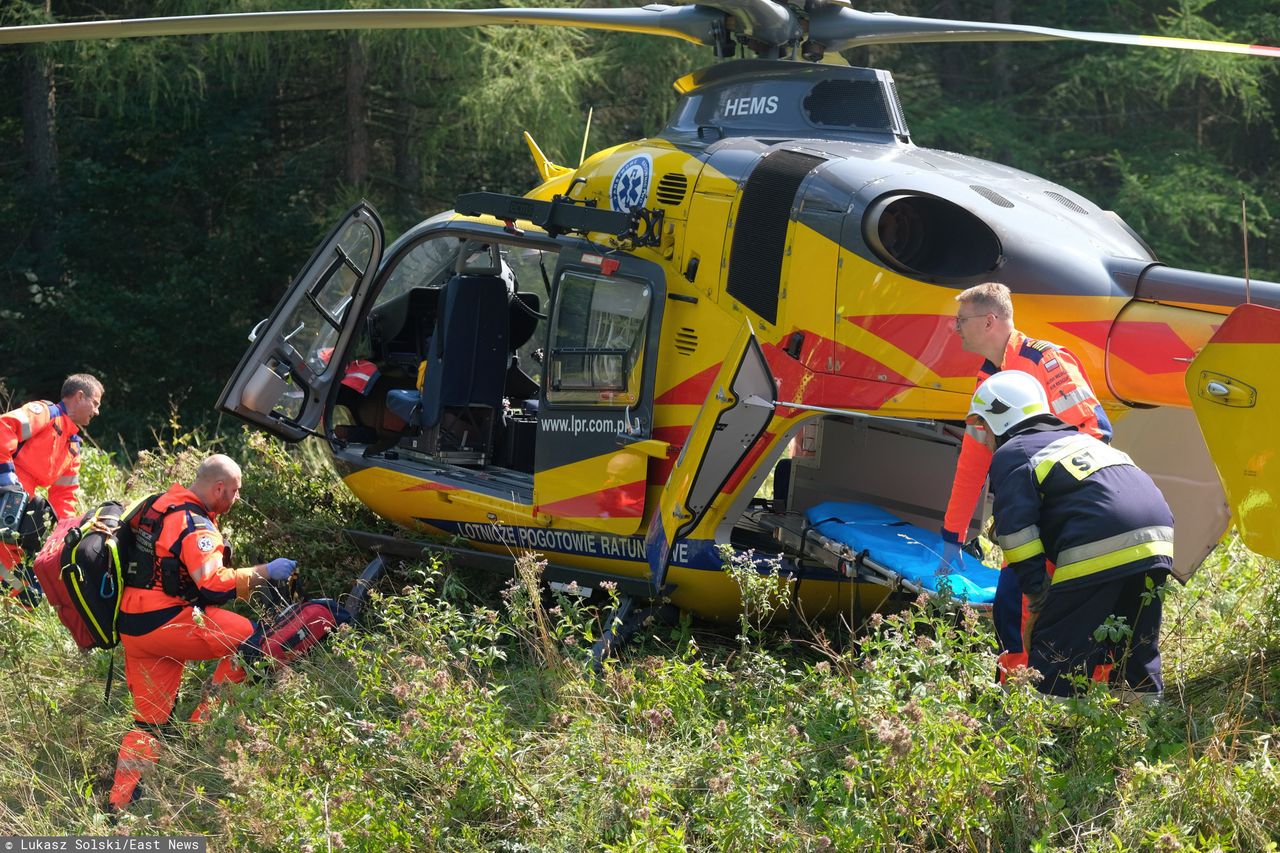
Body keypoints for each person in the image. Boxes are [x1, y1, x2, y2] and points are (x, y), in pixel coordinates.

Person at [968, 370, 1173, 701]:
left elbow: (1016, 532)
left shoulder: (1015, 451)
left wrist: (1038, 594)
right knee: (1135, 646)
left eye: (983, 430)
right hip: (1158, 538)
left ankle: (1051, 740)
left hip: (1101, 538)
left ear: (998, 420)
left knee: (1059, 647)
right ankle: (1145, 732)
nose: (985, 441)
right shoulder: (1083, 441)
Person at [109, 454, 296, 811]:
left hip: (133, 627)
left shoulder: (160, 505)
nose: (236, 499)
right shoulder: (194, 523)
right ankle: (202, 729)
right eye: (235, 492)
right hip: (165, 622)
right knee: (248, 637)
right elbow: (210, 586)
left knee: (148, 723)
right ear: (219, 488)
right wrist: (264, 570)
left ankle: (120, 808)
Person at [944, 283, 1112, 672]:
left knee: (1033, 609)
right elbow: (972, 461)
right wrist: (952, 535)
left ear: (989, 321)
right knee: (1012, 608)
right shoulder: (989, 380)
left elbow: (1097, 431)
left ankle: (1029, 702)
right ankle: (1025, 697)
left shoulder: (1047, 361)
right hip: (1030, 517)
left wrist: (1047, 502)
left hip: (1064, 515)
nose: (955, 328)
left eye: (961, 320)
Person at [0, 373, 103, 601]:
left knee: (23, 583)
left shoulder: (73, 445)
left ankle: (21, 608)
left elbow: (64, 497)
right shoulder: (44, 413)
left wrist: (68, 531)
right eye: (95, 403)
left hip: (20, 504)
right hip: (8, 491)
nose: (96, 411)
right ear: (79, 396)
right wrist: (6, 478)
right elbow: (3, 427)